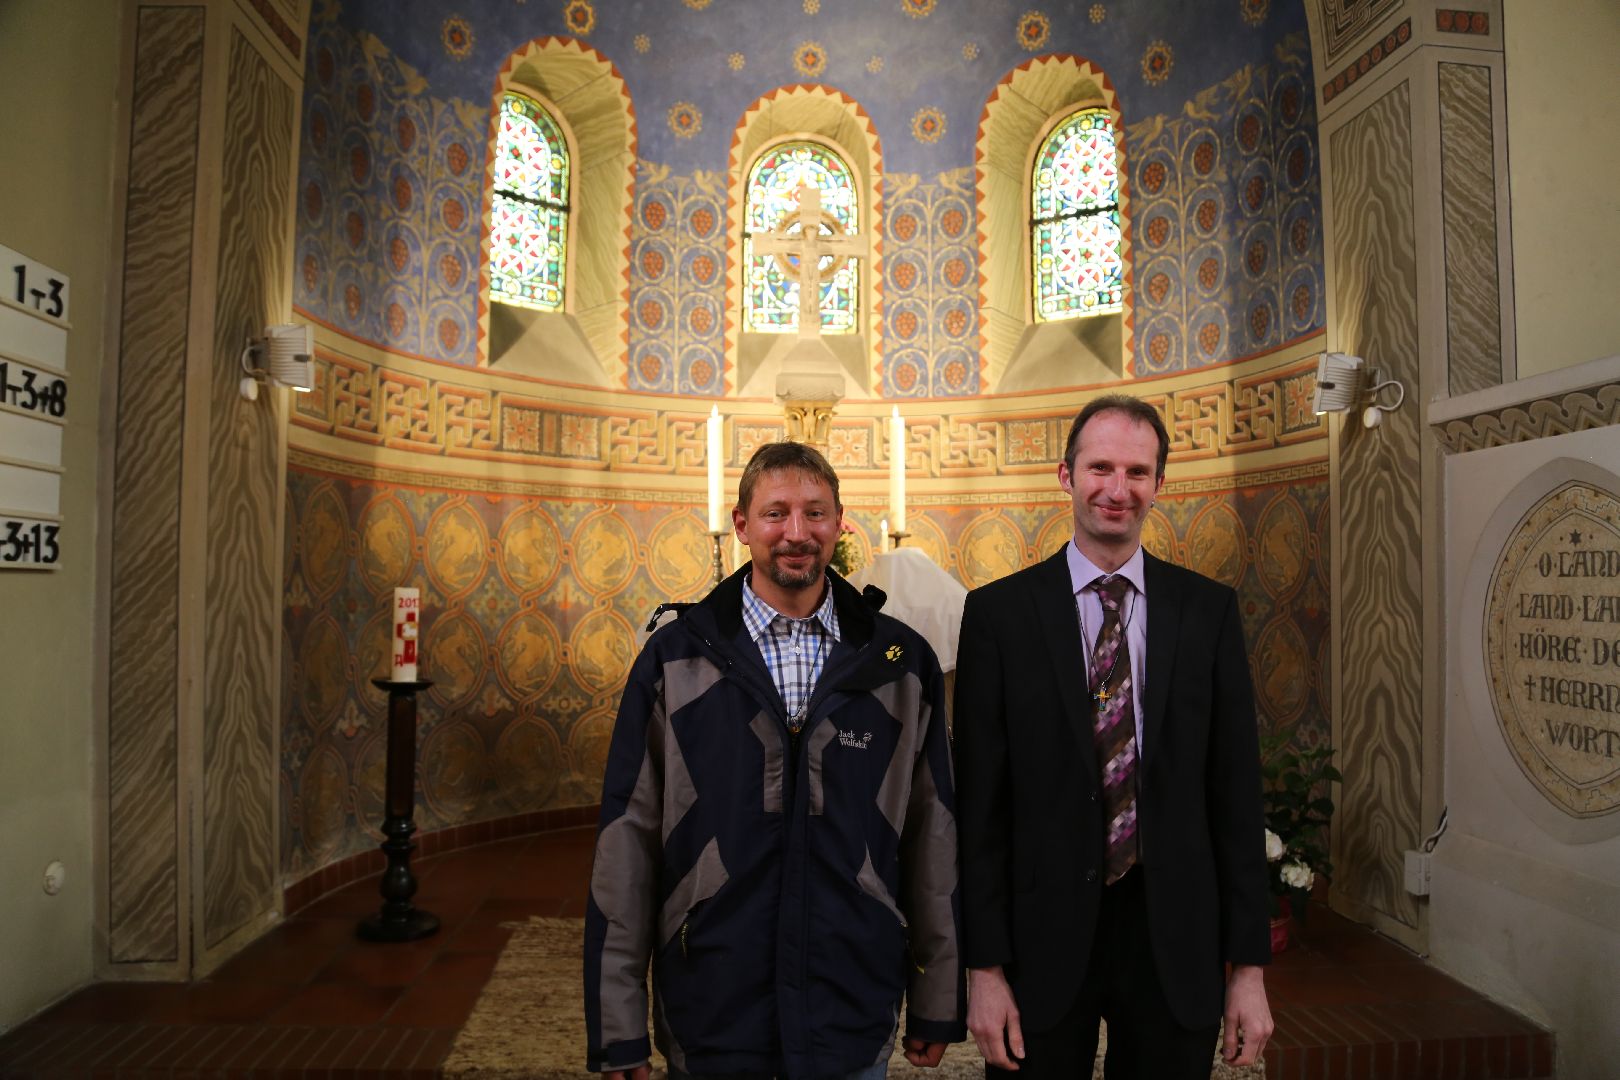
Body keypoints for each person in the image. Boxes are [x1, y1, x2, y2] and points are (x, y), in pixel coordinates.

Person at [585, 440, 965, 1080]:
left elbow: (934, 839)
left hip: (850, 999)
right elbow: (626, 846)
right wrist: (617, 1024)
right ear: (741, 525)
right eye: (775, 513)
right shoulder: (675, 661)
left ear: (841, 523)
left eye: (816, 513)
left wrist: (936, 997)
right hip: (714, 999)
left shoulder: (899, 665)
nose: (797, 533)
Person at [953, 395, 1273, 1079]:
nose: (1117, 489)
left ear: (1160, 482)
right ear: (1066, 476)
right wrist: (982, 967)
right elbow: (979, 811)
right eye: (1100, 468)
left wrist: (1248, 968)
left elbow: (1236, 799)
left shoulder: (1207, 613)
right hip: (1041, 936)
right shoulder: (998, 617)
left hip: (1172, 936)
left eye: (1137, 471)